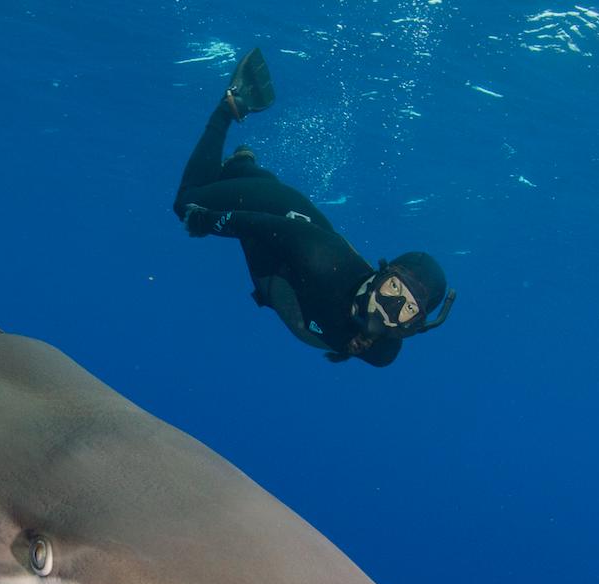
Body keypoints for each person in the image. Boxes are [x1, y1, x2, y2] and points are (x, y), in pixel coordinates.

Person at [173, 49, 455, 366]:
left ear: (416, 324)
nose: (391, 306)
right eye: (393, 287)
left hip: (279, 268)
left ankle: (243, 166)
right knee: (187, 203)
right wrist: (205, 221)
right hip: (280, 217)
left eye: (408, 308)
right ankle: (230, 108)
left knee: (232, 181)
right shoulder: (323, 258)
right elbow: (259, 224)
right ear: (382, 273)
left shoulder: (383, 351)